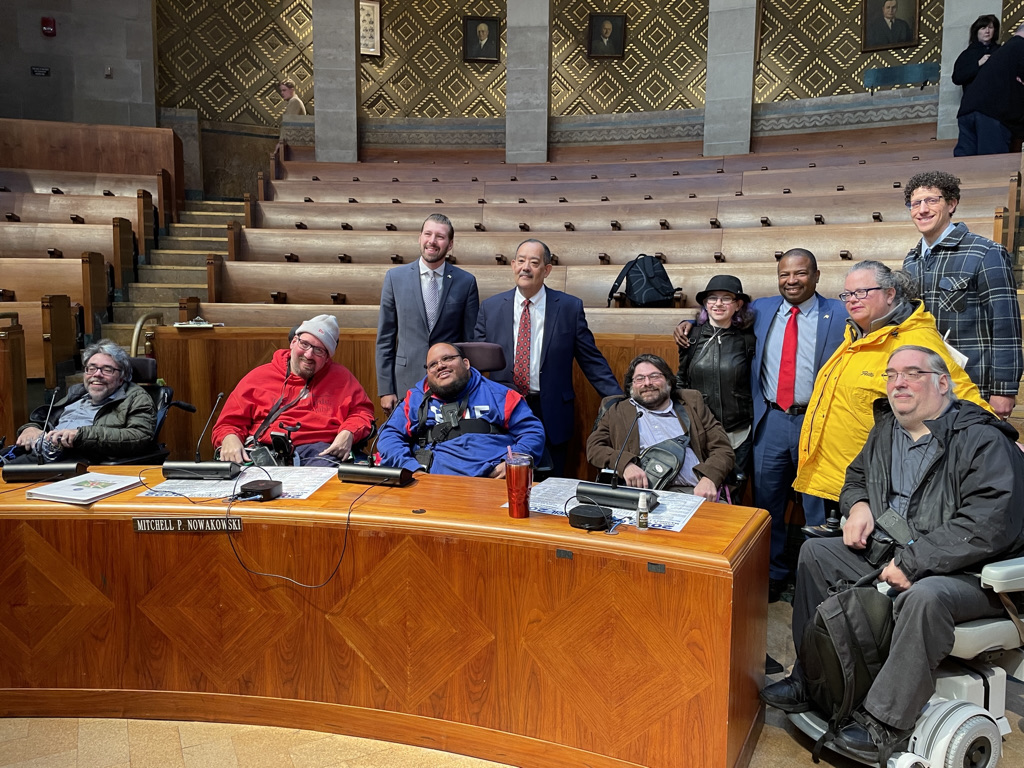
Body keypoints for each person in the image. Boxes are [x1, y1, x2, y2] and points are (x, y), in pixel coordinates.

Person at [761, 346, 1024, 763]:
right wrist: (859, 504)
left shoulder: (982, 439)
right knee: (815, 553)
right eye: (891, 374)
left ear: (942, 382)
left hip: (969, 574)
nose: (898, 382)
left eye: (912, 373)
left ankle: (883, 721)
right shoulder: (886, 429)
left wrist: (915, 562)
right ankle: (812, 681)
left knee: (924, 597)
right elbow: (856, 479)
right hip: (894, 552)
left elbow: (988, 523)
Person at [676, 249, 847, 600]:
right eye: (785, 274)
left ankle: (816, 580)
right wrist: (690, 322)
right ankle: (772, 574)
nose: (792, 280)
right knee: (768, 504)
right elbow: (717, 315)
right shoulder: (765, 310)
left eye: (800, 273)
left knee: (816, 503)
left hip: (816, 423)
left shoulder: (840, 313)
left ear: (816, 275)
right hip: (769, 419)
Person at [794, 260, 988, 504]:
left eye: (862, 292)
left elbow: (960, 394)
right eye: (848, 294)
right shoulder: (857, 335)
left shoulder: (915, 339)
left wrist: (998, 443)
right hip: (834, 482)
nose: (853, 299)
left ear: (890, 294)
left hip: (873, 488)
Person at [475, 239, 621, 476]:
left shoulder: (568, 307)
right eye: (521, 261)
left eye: (534, 262)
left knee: (550, 486)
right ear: (512, 265)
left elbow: (591, 360)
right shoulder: (490, 307)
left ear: (547, 270)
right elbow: (478, 364)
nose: (526, 268)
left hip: (551, 411)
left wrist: (618, 400)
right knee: (503, 484)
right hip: (503, 411)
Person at [901, 171, 1023, 416]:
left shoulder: (985, 252)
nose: (922, 209)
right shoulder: (911, 262)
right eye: (916, 203)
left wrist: (1004, 389)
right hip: (924, 385)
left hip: (973, 386)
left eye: (932, 201)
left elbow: (1005, 326)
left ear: (952, 204)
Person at [213, 314, 374, 467]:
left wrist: (349, 432)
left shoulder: (342, 378)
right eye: (304, 344)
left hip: (321, 454)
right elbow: (227, 424)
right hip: (265, 453)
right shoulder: (257, 377)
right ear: (293, 342)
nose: (309, 354)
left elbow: (362, 413)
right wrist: (229, 438)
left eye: (319, 350)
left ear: (327, 357)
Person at [376, 342, 546, 477]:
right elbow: (388, 437)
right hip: (433, 484)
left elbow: (532, 432)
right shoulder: (414, 399)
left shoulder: (502, 395)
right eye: (432, 364)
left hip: (491, 482)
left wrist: (511, 462)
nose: (440, 365)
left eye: (447, 358)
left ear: (466, 363)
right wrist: (411, 469)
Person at [586, 353, 734, 500]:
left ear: (669, 381)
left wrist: (709, 478)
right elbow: (594, 448)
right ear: (632, 386)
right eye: (640, 378)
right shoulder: (617, 411)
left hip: (696, 493)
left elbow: (723, 449)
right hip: (644, 496)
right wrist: (624, 464)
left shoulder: (692, 403)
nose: (647, 383)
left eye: (654, 376)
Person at [376, 214, 480, 415]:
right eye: (428, 234)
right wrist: (386, 389)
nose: (432, 241)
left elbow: (470, 341)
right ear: (420, 237)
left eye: (440, 237)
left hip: (450, 383)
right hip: (406, 381)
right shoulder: (395, 278)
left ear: (450, 245)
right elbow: (385, 339)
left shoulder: (466, 282)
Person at [12, 340, 155, 464]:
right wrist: (30, 428)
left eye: (107, 369)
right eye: (91, 368)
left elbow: (140, 436)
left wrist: (81, 435)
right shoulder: (76, 394)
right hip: (41, 451)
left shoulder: (136, 398)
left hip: (77, 460)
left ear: (121, 378)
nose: (97, 374)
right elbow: (46, 420)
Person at [676, 275, 756, 498]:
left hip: (738, 433)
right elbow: (681, 381)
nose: (718, 304)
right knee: (701, 493)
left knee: (734, 495)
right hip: (701, 434)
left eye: (726, 298)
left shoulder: (748, 340)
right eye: (712, 298)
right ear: (705, 303)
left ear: (738, 304)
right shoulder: (689, 336)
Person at [955, 23, 1024, 156]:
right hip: (992, 114)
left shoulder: (1002, 51)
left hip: (968, 111)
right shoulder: (1020, 47)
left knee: (965, 169)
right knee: (992, 168)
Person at [952, 15, 1001, 95]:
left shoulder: (1000, 51)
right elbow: (957, 78)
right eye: (983, 28)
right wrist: (978, 64)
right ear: (977, 31)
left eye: (990, 27)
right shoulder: (968, 54)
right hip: (973, 99)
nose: (987, 31)